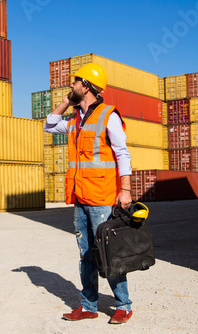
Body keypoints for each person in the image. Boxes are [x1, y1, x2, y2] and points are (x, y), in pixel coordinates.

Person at [43, 63, 133, 324]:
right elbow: (49, 125)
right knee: (86, 254)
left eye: (75, 82)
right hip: (80, 197)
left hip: (102, 197)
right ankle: (88, 305)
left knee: (108, 252)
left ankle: (123, 305)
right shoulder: (73, 120)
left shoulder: (108, 115)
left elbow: (122, 154)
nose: (71, 85)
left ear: (87, 86)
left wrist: (125, 189)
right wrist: (64, 101)